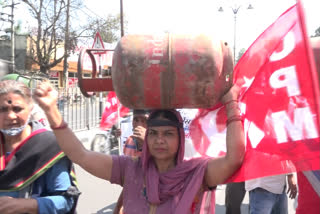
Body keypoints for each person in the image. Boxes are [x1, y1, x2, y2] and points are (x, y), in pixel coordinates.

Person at [34, 81, 245, 213]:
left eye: (168, 134)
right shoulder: (130, 169)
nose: (159, 140)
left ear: (180, 138)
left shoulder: (197, 173)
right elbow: (80, 155)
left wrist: (232, 105)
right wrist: (52, 111)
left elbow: (234, 159)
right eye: (153, 133)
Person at [0, 80, 79, 214]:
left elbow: (66, 201)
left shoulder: (48, 146)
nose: (10, 116)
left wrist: (24, 205)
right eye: (2, 109)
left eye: (17, 109)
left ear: (30, 109)